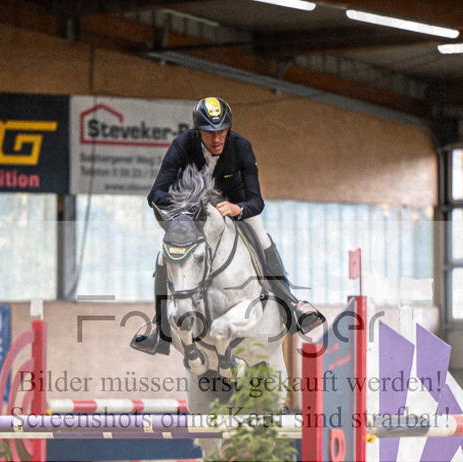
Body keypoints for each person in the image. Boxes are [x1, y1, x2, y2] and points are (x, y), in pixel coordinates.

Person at [131, 96, 325, 355]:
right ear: (198, 131)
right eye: (210, 133)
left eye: (222, 131)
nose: (217, 138)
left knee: (262, 237)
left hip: (235, 211)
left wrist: (237, 208)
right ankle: (160, 328)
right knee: (162, 257)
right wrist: (187, 204)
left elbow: (257, 201)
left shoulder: (242, 147)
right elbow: (155, 194)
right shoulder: (182, 145)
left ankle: (292, 305)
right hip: (195, 215)